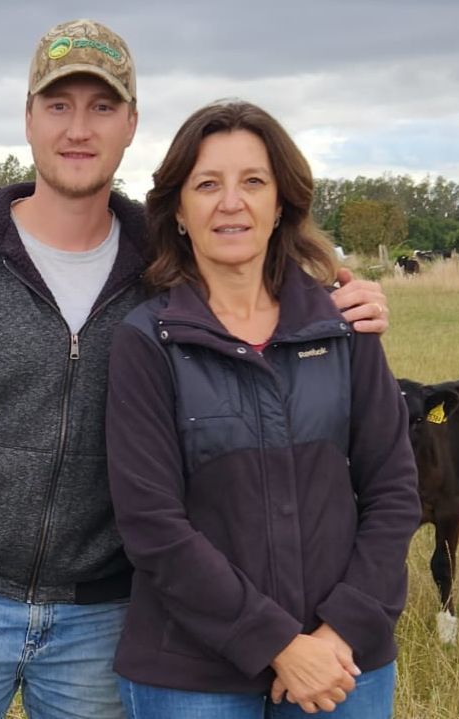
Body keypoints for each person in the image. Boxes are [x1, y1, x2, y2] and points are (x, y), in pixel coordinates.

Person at [0, 20, 390, 718]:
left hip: (105, 613)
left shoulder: (165, 265)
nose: (78, 128)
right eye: (58, 105)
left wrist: (342, 295)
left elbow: (261, 259)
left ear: (131, 124)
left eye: (101, 107)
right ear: (28, 118)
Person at [105, 99, 420, 718]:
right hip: (191, 674)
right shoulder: (147, 342)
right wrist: (278, 644)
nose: (232, 202)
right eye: (207, 185)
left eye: (253, 181)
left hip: (344, 665)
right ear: (178, 211)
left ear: (282, 204)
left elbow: (394, 490)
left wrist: (341, 629)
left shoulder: (343, 328)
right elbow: (152, 526)